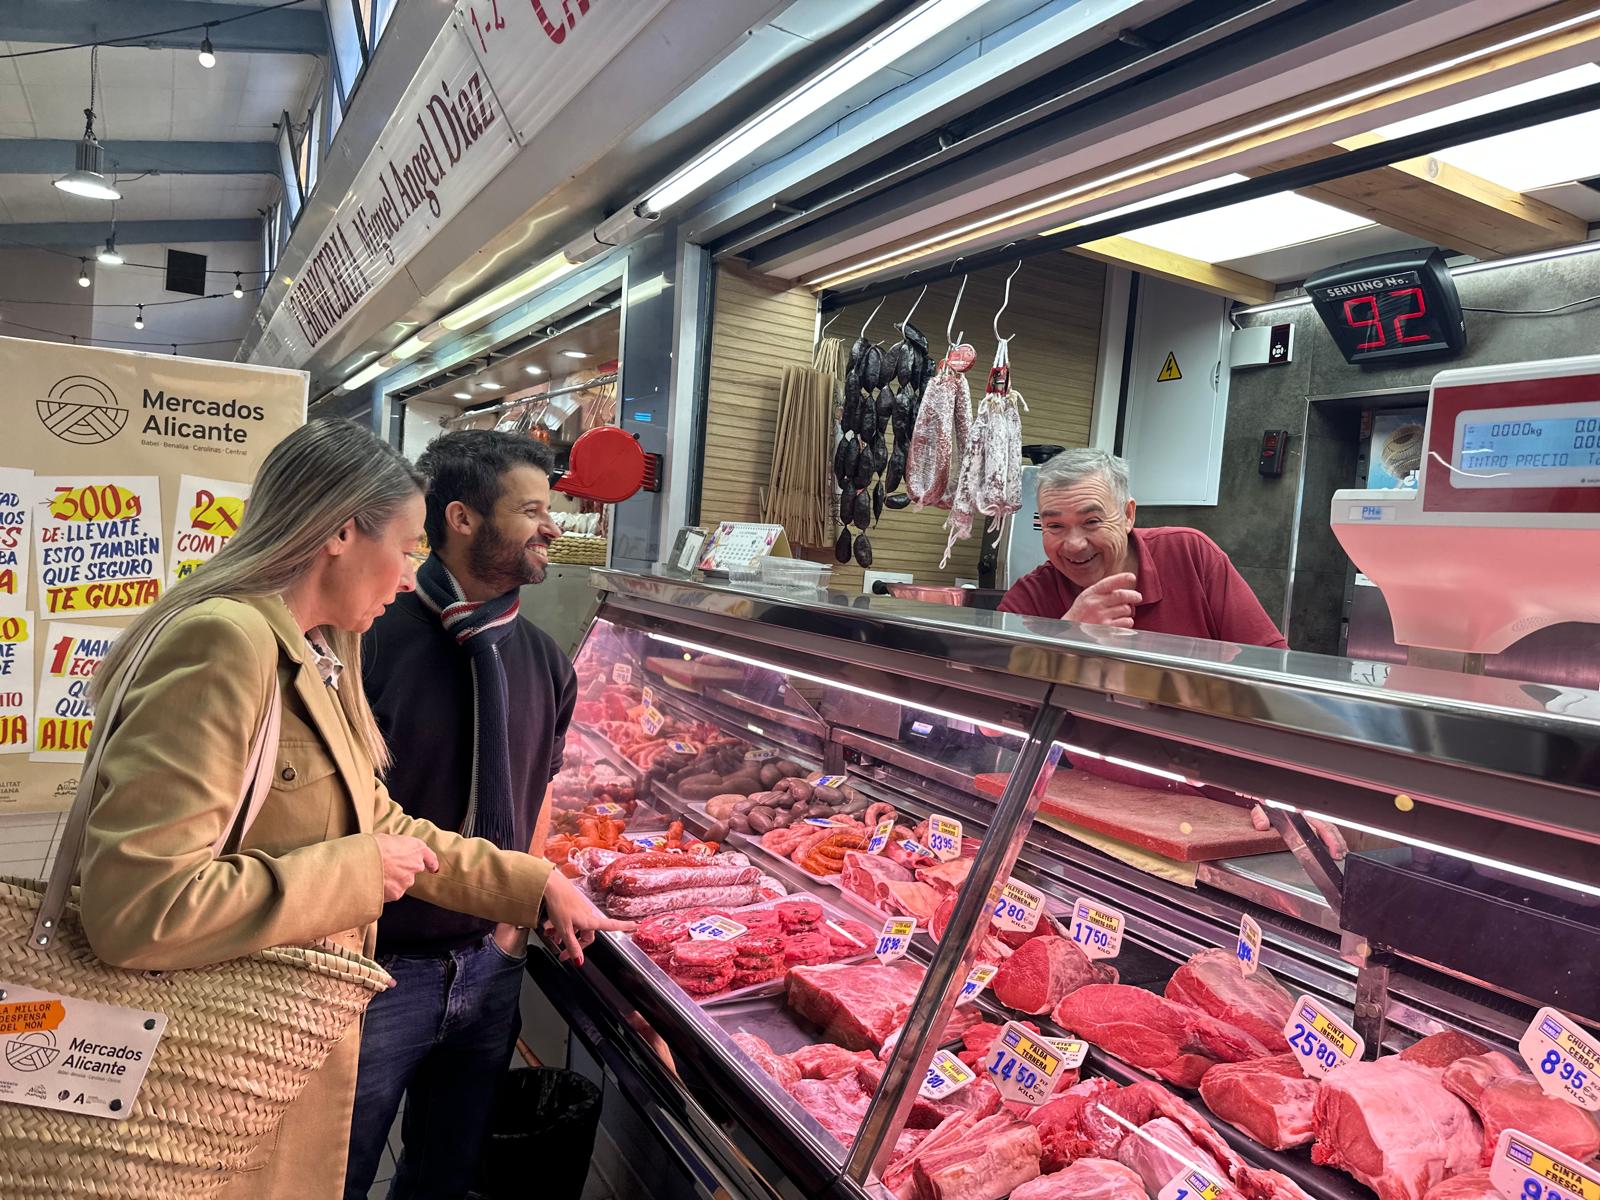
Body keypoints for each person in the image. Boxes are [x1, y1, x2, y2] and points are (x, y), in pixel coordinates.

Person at [77, 419, 627, 1200]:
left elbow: (385, 820)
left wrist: (529, 885)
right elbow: (137, 910)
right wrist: (358, 870)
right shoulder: (225, 643)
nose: (409, 577)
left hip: (296, 1011)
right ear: (340, 532)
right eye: (404, 549)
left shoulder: (318, 649)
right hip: (235, 1032)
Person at [344, 431, 574, 1200]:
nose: (553, 526)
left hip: (486, 968)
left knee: (444, 1176)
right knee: (330, 1172)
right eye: (533, 509)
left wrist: (510, 927)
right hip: (376, 968)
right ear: (462, 519)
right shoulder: (370, 639)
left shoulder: (545, 658)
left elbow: (537, 793)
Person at [999, 447, 1288, 649]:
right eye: (1055, 526)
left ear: (1127, 515)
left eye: (1091, 521)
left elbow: (1270, 664)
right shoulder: (1032, 597)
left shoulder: (1189, 554)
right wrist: (1066, 635)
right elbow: (991, 723)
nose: (1074, 545)